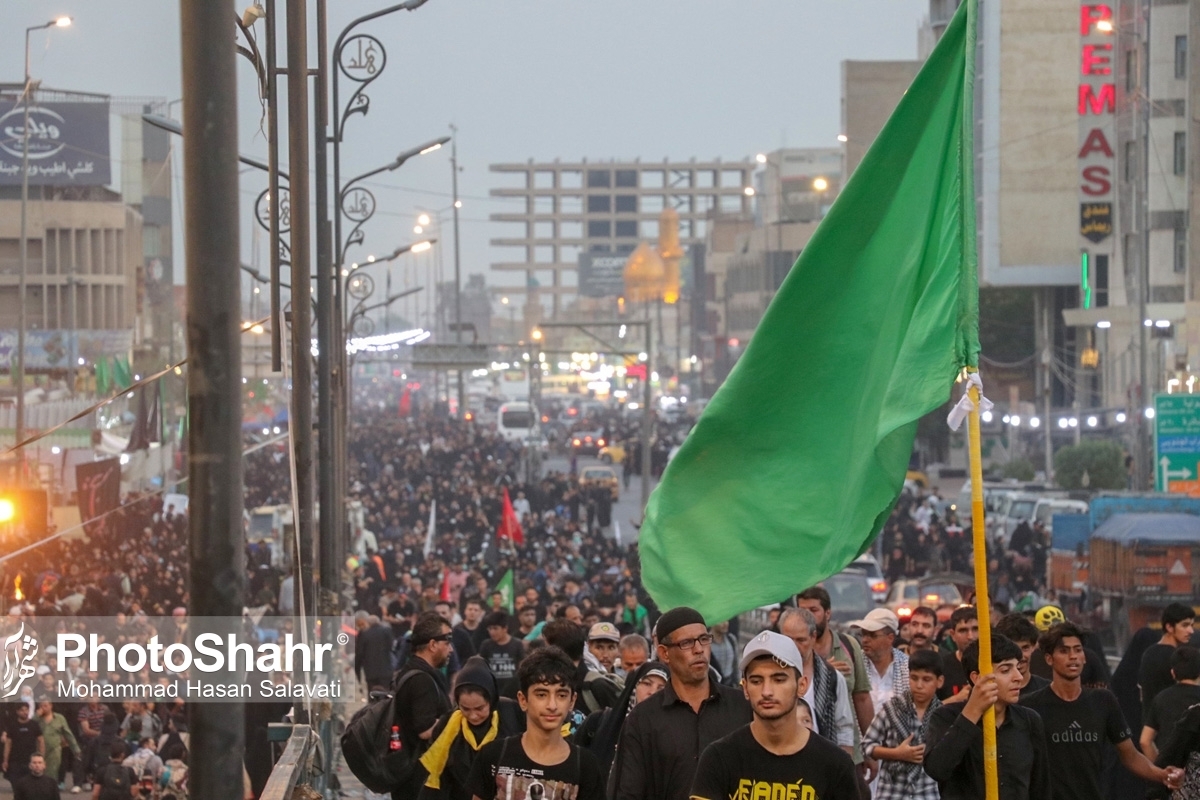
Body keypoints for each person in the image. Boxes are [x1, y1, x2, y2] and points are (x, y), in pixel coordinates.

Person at [688, 631, 860, 800]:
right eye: (756, 681)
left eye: (779, 680)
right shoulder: (719, 758)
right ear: (745, 688)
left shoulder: (835, 764)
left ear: (801, 685)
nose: (767, 691)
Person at [1023, 621, 1181, 799]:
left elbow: (1130, 755)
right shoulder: (1030, 707)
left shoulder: (1103, 701)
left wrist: (1162, 775)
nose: (1073, 656)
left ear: (1085, 656)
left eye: (1078, 649)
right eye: (1064, 651)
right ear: (1049, 659)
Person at [611, 607, 752, 800]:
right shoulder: (643, 719)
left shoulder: (742, 707)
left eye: (704, 639)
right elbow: (629, 792)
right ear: (664, 653)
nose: (698, 649)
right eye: (686, 643)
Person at [466, 646, 606, 800]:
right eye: (541, 694)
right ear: (523, 700)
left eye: (561, 695)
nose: (552, 705)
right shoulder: (493, 755)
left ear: (572, 701)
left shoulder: (586, 766)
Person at [923, 634, 1052, 800]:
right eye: (1005, 670)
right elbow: (937, 769)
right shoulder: (946, 716)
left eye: (1017, 668)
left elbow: (1040, 787)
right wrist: (972, 713)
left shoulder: (1029, 720)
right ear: (977, 678)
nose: (1018, 677)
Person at [418, 656, 524, 800]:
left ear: (491, 699)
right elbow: (437, 776)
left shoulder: (512, 715)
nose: (473, 716)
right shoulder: (448, 726)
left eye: (480, 708)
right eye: (465, 709)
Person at [863, 648, 944, 800]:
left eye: (926, 679)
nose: (919, 685)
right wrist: (897, 754)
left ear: (939, 681)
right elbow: (866, 746)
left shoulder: (942, 715)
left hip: (927, 791)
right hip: (892, 790)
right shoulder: (892, 709)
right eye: (914, 678)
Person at [776, 607, 856, 756]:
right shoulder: (769, 678)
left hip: (822, 763)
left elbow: (844, 728)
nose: (794, 646)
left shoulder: (832, 677)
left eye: (801, 640)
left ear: (813, 637)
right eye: (788, 639)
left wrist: (845, 766)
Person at [393, 612, 455, 800]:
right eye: (448, 642)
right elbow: (424, 729)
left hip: (410, 774)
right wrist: (455, 720)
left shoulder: (413, 671)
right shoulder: (422, 680)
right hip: (418, 779)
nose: (451, 649)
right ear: (433, 645)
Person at [797, 587, 874, 737]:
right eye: (802, 611)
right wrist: (824, 672)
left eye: (813, 610)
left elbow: (862, 698)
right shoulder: (792, 650)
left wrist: (870, 747)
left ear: (828, 613)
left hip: (847, 747)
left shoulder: (849, 645)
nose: (807, 617)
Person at [575, 661, 668, 775]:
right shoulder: (599, 722)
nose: (652, 692)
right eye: (647, 684)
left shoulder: (671, 736)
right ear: (634, 687)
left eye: (661, 688)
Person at [543, 619, 621, 717]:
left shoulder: (596, 686)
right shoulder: (547, 681)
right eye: (599, 647)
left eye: (611, 647)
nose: (605, 655)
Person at [1140, 645, 1200, 761]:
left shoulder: (1161, 698)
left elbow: (1145, 741)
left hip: (1171, 771)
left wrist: (1160, 770)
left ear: (1173, 673)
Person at [1140, 602, 1195, 717]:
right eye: (1185, 625)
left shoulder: (1148, 653)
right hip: (1173, 727)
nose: (1191, 631)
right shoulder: (1179, 657)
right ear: (1169, 627)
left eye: (1191, 625)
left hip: (1151, 725)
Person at [851, 608, 909, 711]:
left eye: (872, 635)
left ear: (890, 638)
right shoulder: (854, 662)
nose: (865, 640)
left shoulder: (906, 666)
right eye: (863, 634)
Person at [995, 613, 1050, 698]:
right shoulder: (992, 693)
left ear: (1034, 646)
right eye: (1013, 649)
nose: (1020, 656)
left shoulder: (1048, 690)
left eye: (1025, 648)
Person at [478, 612, 525, 699]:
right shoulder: (486, 645)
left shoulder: (517, 644)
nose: (492, 632)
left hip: (512, 692)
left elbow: (522, 667)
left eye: (495, 628)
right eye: (490, 628)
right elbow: (482, 667)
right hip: (493, 691)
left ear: (505, 628)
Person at [34, 702, 77, 793]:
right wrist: (36, 716)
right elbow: (29, 726)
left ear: (50, 706)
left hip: (55, 749)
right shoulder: (37, 719)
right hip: (39, 748)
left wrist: (75, 749)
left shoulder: (59, 718)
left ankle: (50, 789)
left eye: (45, 705)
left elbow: (68, 734)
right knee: (38, 769)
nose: (43, 708)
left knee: (53, 770)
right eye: (41, 706)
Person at [937, 606, 978, 701]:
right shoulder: (941, 666)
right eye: (963, 630)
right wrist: (956, 699)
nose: (970, 636)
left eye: (975, 629)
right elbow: (927, 712)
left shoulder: (996, 664)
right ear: (952, 635)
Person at [4, 703, 45, 787]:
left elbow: (41, 741)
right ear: (17, 712)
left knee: (30, 785)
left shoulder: (34, 725)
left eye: (26, 710)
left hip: (30, 760)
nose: (25, 712)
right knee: (16, 785)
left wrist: (42, 758)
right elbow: (8, 744)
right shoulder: (12, 725)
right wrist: (5, 760)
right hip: (15, 760)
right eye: (22, 710)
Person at [354, 611, 396, 693]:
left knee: (373, 697)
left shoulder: (363, 635)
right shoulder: (387, 631)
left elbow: (359, 655)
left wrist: (357, 672)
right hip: (386, 671)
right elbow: (391, 648)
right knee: (386, 695)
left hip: (370, 673)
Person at [454, 599, 487, 664]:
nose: (472, 612)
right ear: (465, 611)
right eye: (470, 609)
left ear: (480, 613)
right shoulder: (457, 629)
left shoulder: (484, 630)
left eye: (476, 610)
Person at [708, 621, 738, 686]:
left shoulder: (731, 639)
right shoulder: (706, 642)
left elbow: (735, 665)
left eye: (727, 620)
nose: (725, 624)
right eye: (721, 621)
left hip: (730, 684)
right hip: (713, 684)